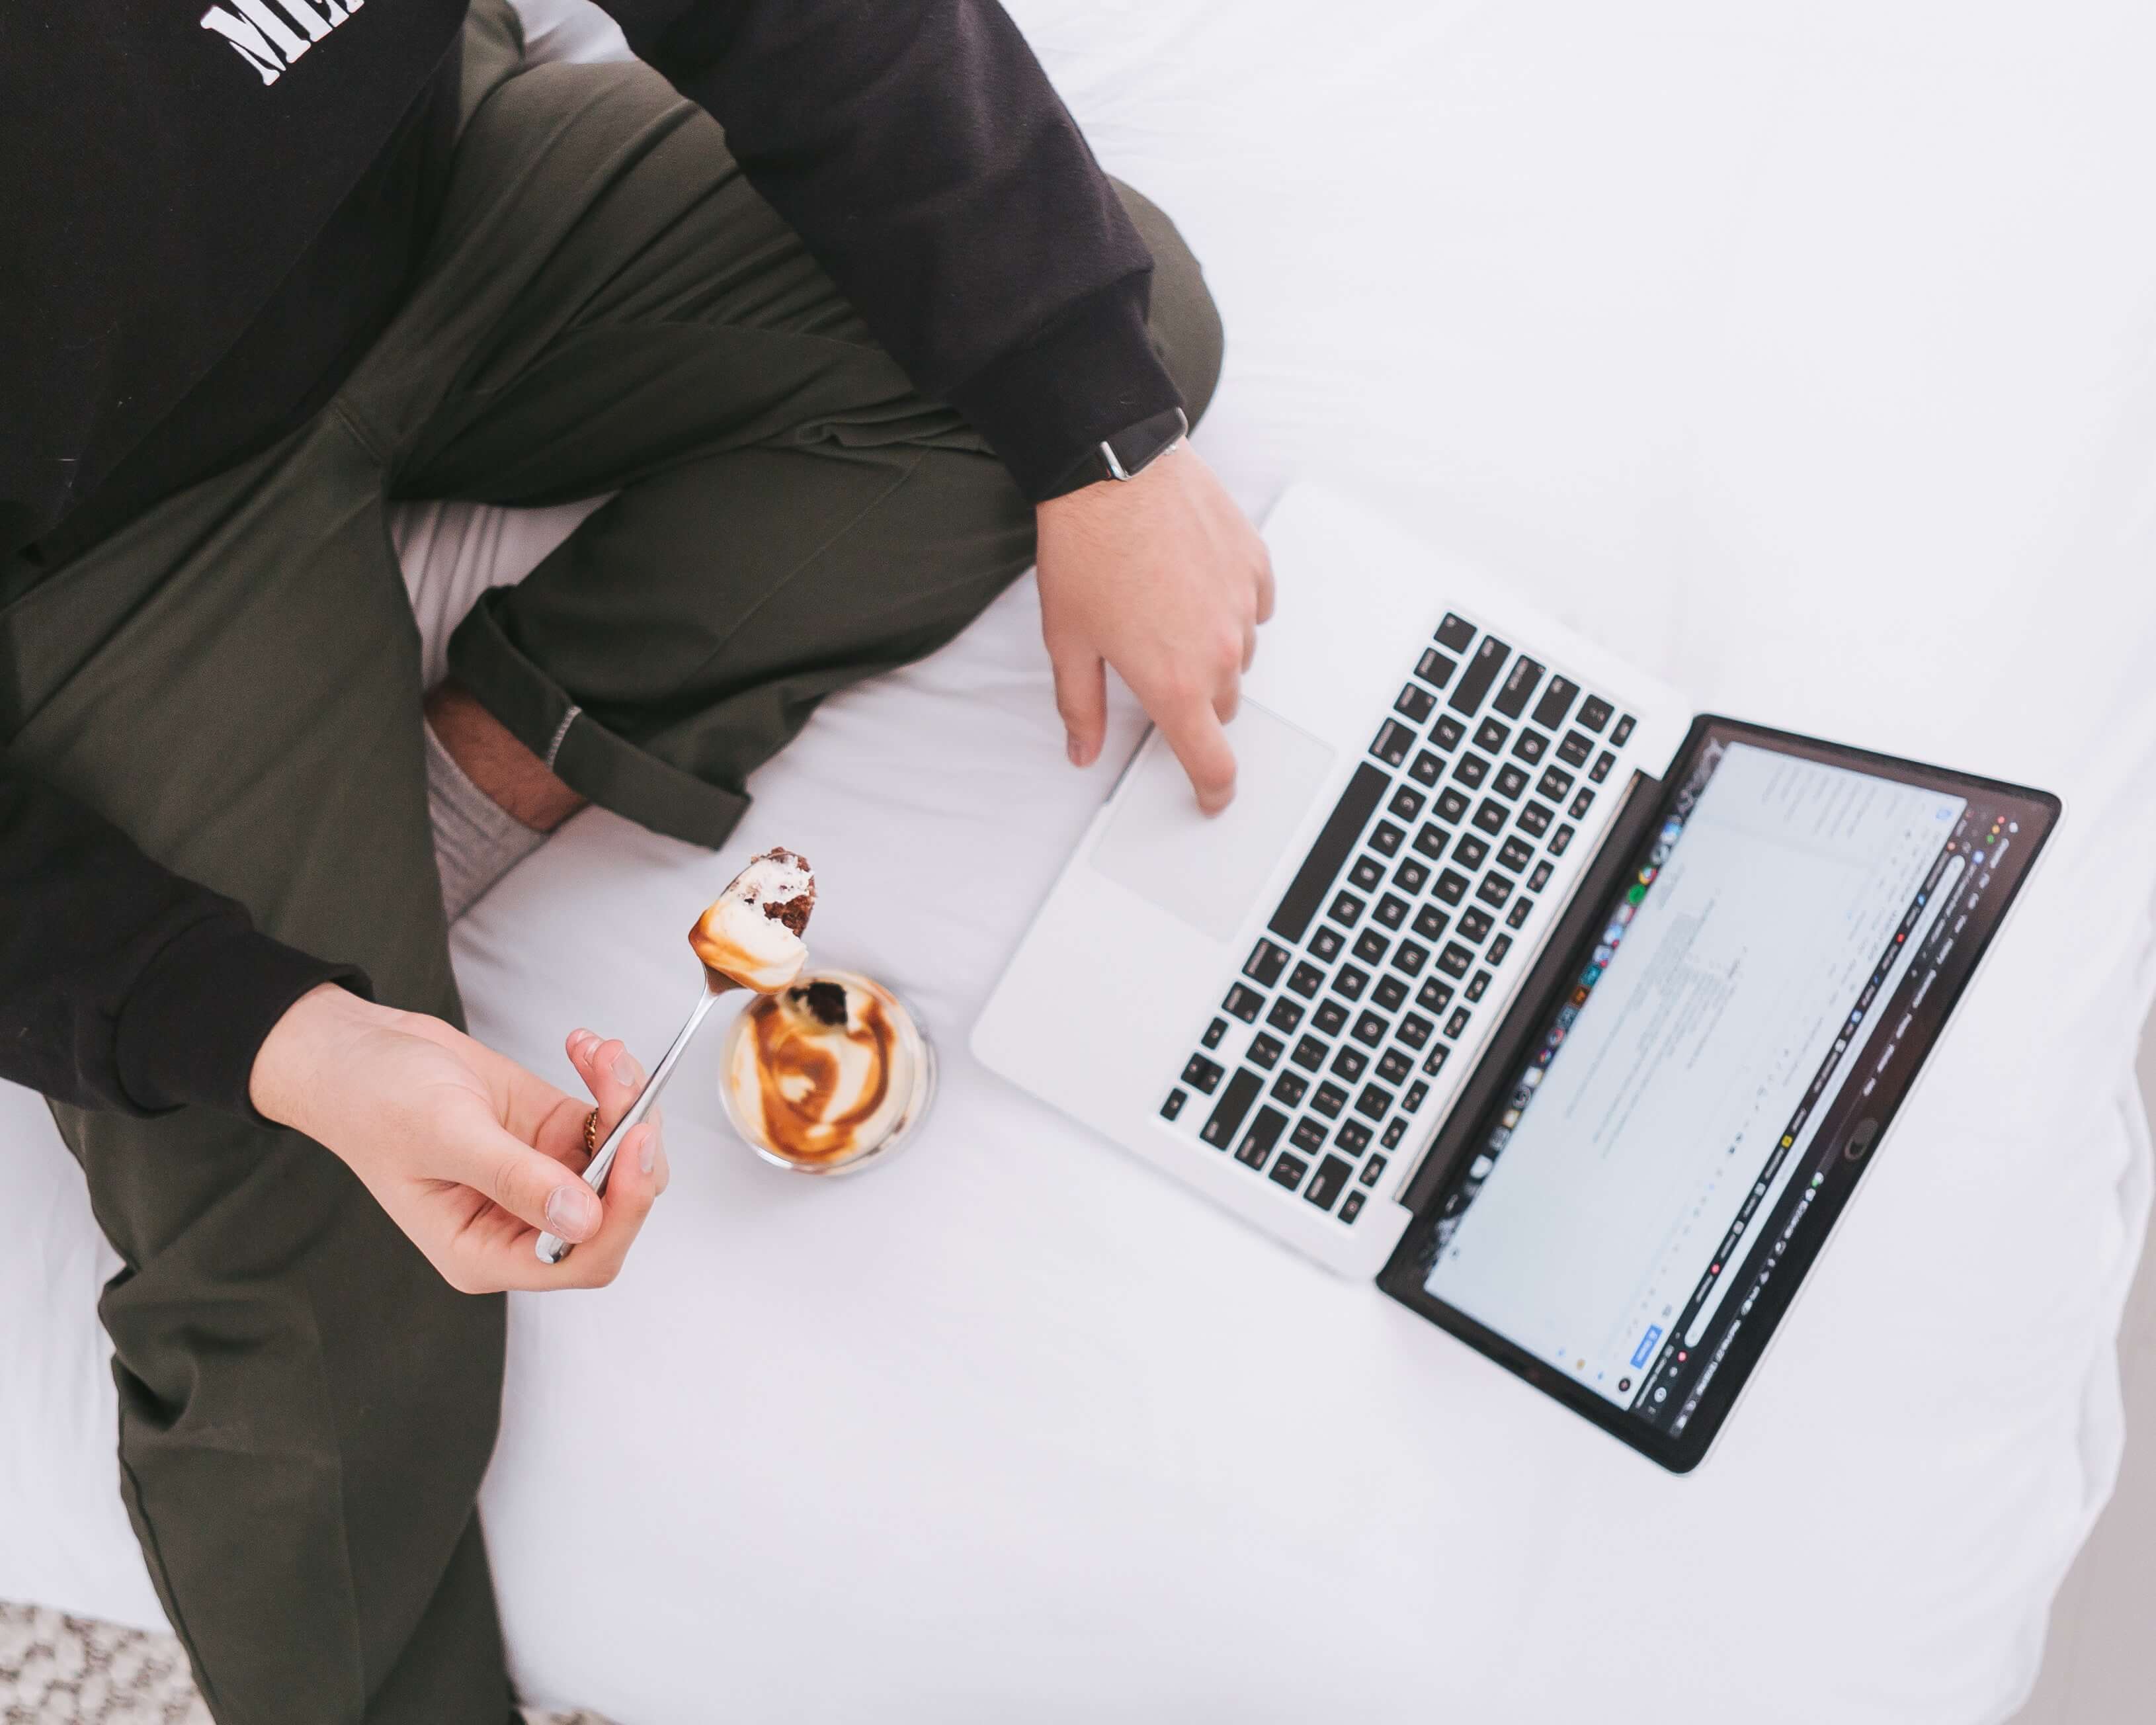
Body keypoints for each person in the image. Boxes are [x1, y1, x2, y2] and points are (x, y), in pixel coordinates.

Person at [0, 1, 1271, 1718]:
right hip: (114, 551)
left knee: (1100, 338)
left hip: (432, 194)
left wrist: (1103, 435)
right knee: (330, 1254)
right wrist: (287, 1034)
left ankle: (475, 782)